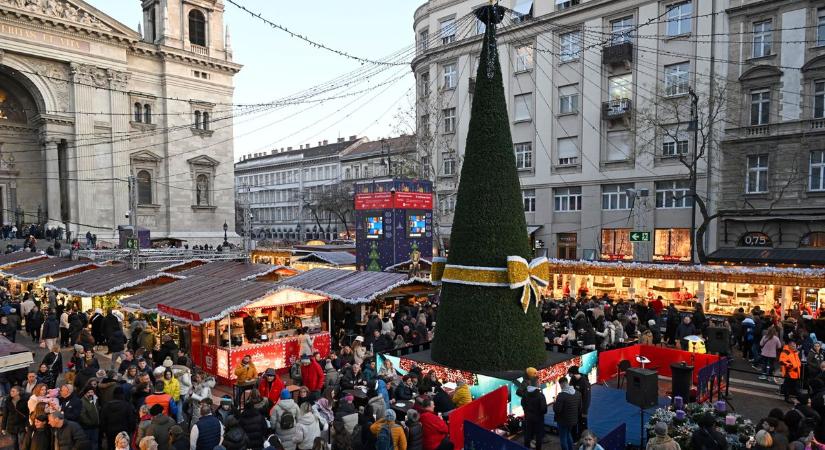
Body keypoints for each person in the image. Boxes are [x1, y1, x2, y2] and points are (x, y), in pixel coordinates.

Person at [554, 377, 581, 450]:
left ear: (562, 384)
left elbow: (557, 410)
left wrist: (554, 403)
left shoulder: (561, 396)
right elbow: (579, 407)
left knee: (563, 438)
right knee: (568, 434)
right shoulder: (577, 393)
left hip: (563, 421)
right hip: (573, 420)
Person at [522, 384, 548, 450]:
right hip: (538, 418)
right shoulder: (540, 395)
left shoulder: (525, 394)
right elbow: (544, 409)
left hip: (528, 417)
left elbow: (523, 404)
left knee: (528, 433)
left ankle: (526, 447)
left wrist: (526, 412)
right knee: (538, 435)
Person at [568, 366, 591, 438]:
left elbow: (587, 398)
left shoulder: (584, 383)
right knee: (573, 424)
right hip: (574, 407)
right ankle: (574, 439)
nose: (569, 376)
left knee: (582, 425)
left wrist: (584, 411)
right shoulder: (572, 379)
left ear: (574, 374)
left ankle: (584, 439)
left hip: (581, 409)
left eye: (570, 374)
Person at [78, 386, 100, 450]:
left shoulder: (95, 400)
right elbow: (82, 415)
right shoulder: (82, 401)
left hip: (95, 427)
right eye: (88, 392)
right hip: (87, 427)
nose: (90, 393)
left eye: (92, 392)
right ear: (85, 393)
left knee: (95, 443)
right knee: (88, 444)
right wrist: (91, 423)